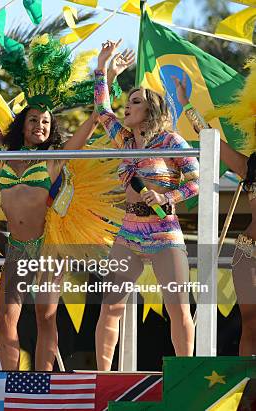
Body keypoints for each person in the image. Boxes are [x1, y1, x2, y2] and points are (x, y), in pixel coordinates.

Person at [0, 36, 125, 371]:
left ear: (50, 129)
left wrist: (104, 72)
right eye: (33, 120)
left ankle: (43, 384)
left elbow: (97, 118)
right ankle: (10, 384)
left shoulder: (56, 158)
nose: (39, 126)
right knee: (7, 318)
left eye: (45, 122)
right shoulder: (3, 156)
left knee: (45, 318)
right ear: (22, 124)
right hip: (17, 247)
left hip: (49, 247)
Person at [93, 40, 199, 370]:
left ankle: (186, 373)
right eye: (127, 102)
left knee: (178, 307)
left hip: (165, 231)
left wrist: (167, 197)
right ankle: (103, 378)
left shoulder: (170, 141)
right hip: (128, 231)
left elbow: (196, 180)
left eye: (135, 102)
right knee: (110, 306)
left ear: (151, 109)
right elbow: (101, 111)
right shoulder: (124, 140)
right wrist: (102, 67)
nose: (127, 108)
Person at [173, 69, 256, 356]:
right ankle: (248, 392)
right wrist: (186, 104)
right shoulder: (249, 165)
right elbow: (210, 138)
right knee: (251, 323)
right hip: (249, 251)